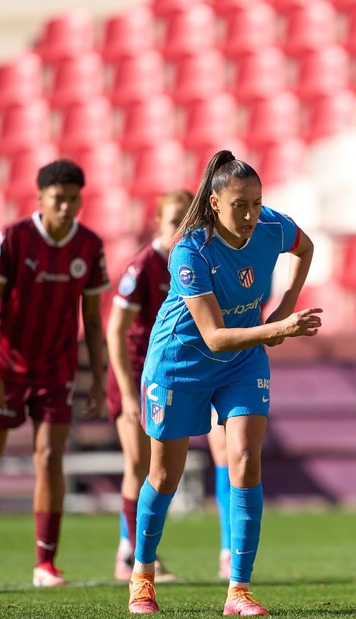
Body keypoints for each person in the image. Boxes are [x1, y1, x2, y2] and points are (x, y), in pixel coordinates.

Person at [127, 149, 322, 616]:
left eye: (257, 202)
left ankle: (238, 589)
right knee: (163, 475)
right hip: (181, 363)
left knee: (246, 461)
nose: (252, 213)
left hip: (243, 360)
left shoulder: (271, 226)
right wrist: (278, 328)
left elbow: (306, 247)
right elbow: (213, 336)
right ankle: (142, 575)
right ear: (214, 203)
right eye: (240, 205)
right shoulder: (189, 250)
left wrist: (283, 304)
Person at [0, 159, 110, 588]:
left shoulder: (89, 246)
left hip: (56, 367)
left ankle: (45, 563)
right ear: (40, 199)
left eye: (74, 199)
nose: (67, 207)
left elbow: (92, 315)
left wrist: (99, 376)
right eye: (59, 199)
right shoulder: (12, 239)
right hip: (6, 365)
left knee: (50, 458)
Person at [106, 189, 232, 582]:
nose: (182, 227)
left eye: (187, 219)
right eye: (174, 219)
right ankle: (133, 554)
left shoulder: (200, 256)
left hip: (189, 370)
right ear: (157, 223)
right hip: (138, 373)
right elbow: (116, 331)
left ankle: (226, 551)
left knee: (212, 455)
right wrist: (127, 394)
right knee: (141, 464)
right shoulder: (144, 266)